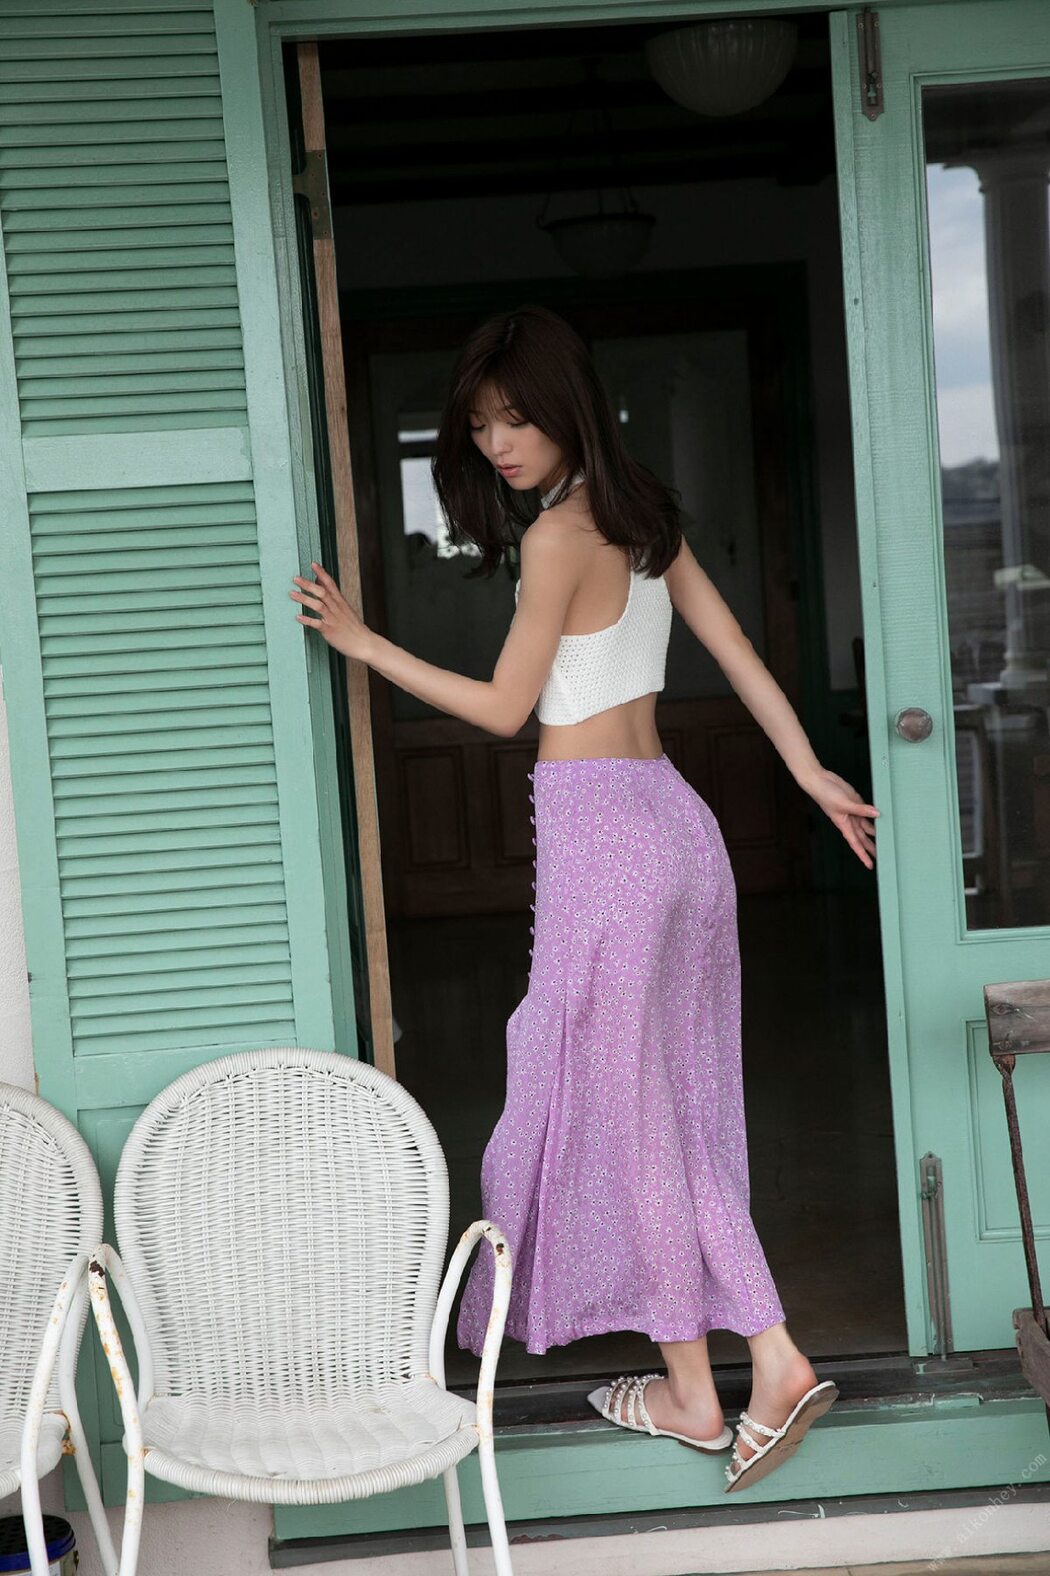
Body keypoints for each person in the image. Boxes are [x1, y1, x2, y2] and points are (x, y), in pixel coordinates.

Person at [289, 302, 879, 1493]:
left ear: (565, 408)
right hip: (678, 827)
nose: (498, 443)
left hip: (603, 839)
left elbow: (507, 708)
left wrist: (366, 644)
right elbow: (738, 651)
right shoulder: (643, 511)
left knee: (633, 1115)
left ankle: (747, 1367)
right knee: (673, 1105)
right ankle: (714, 1380)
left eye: (516, 418)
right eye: (480, 424)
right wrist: (809, 769)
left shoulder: (559, 539)